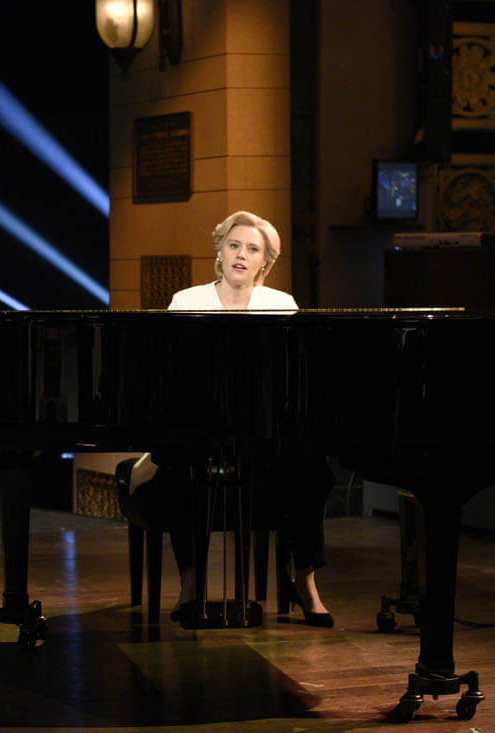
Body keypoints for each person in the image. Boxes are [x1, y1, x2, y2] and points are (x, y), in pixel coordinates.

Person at [123, 210, 335, 628]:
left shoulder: (281, 305)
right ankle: (190, 583)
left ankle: (305, 580)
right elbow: (170, 376)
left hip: (261, 434)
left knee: (313, 470)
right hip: (199, 428)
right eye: (233, 245)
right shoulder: (187, 301)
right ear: (219, 252)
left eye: (252, 249)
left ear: (264, 262)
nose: (241, 254)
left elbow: (293, 378)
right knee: (180, 464)